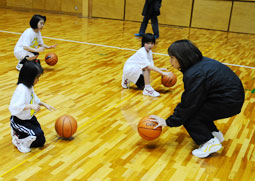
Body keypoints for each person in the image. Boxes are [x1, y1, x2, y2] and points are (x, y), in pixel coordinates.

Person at [150, 40, 245, 158]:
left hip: (228, 101)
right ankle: (214, 134)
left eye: (172, 58)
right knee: (198, 109)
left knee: (189, 116)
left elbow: (189, 104)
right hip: (232, 97)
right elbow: (195, 99)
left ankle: (209, 142)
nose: (170, 62)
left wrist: (168, 121)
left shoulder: (195, 73)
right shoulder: (200, 63)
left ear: (181, 57)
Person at [9, 61, 55, 153]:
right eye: (37, 77)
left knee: (41, 141)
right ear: (29, 76)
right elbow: (14, 107)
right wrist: (31, 106)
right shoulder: (21, 89)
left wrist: (44, 104)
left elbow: (35, 99)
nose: (38, 80)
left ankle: (19, 134)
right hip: (19, 121)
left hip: (29, 118)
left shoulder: (29, 86)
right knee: (35, 135)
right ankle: (18, 141)